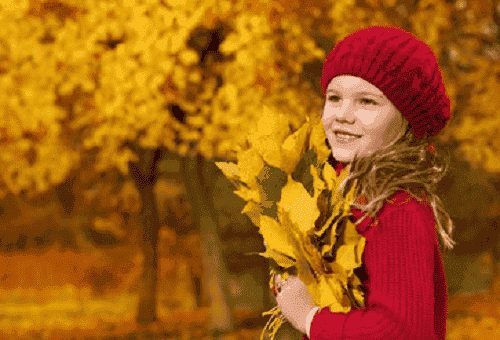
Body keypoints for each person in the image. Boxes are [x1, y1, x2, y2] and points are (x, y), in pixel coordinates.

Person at [272, 26, 456, 340]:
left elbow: (401, 330)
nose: (343, 115)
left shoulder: (397, 207)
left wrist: (309, 318)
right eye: (334, 97)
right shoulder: (344, 194)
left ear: (406, 120)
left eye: (367, 102)